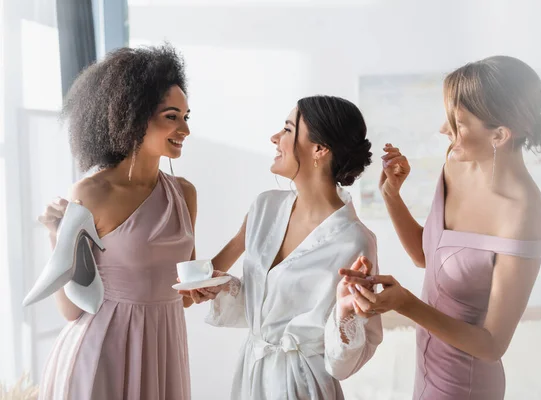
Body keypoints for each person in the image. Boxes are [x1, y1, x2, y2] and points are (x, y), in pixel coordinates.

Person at [342, 56, 541, 400]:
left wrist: (406, 304)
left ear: (499, 135)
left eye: (458, 122)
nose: (444, 130)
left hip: (466, 387)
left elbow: (491, 346)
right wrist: (391, 197)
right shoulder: (455, 163)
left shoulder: (524, 214)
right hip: (425, 373)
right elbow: (426, 257)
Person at [182, 95, 383, 400]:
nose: (275, 138)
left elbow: (344, 362)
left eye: (288, 129)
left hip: (303, 385)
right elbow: (260, 307)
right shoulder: (265, 207)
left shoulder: (354, 240)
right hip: (252, 375)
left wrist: (344, 312)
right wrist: (222, 287)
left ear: (319, 148)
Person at [36, 44, 196, 400]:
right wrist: (56, 235)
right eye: (172, 116)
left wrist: (245, 239)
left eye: (186, 116)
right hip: (101, 352)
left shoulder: (184, 194)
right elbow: (71, 308)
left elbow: (184, 292)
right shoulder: (93, 192)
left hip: (163, 350)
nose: (184, 128)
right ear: (135, 116)